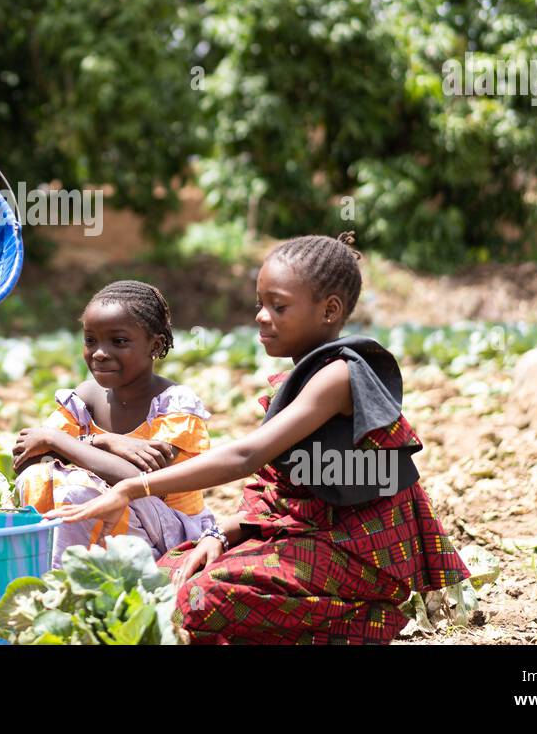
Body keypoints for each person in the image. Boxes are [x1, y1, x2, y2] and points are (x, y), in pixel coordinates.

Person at [47, 233, 471, 644]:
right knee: (173, 568)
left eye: (278, 306)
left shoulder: (338, 377)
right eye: (260, 304)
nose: (261, 317)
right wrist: (219, 534)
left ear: (330, 310)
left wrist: (130, 488)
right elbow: (284, 494)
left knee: (198, 598)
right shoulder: (297, 378)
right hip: (309, 533)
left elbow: (246, 456)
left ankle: (370, 616)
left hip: (358, 551)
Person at [14, 280, 216, 567]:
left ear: (154, 345)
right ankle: (51, 566)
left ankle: (72, 576)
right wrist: (105, 441)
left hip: (173, 535)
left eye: (118, 342)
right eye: (90, 340)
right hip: (107, 525)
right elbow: (26, 459)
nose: (99, 352)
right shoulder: (85, 398)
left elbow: (141, 483)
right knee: (38, 478)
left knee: (80, 489)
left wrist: (58, 441)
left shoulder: (174, 405)